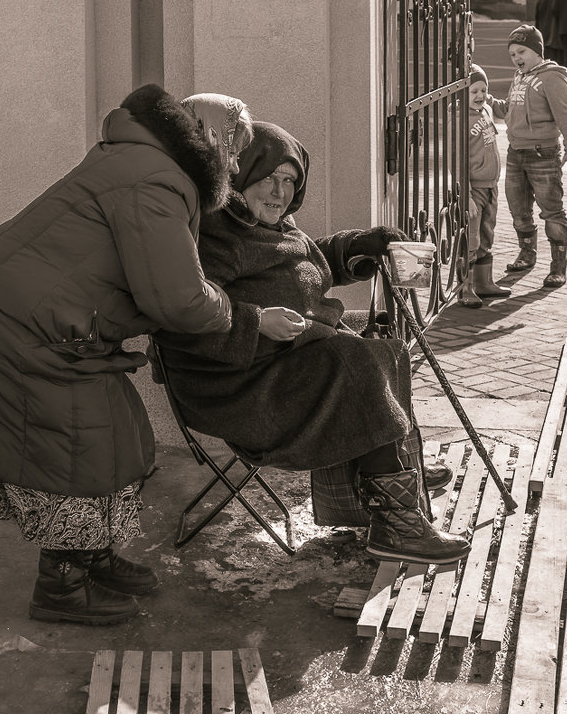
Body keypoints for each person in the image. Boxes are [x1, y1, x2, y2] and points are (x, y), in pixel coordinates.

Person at [0, 85, 250, 625]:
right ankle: (62, 585)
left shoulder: (141, 158)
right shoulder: (157, 177)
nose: (238, 163)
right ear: (213, 139)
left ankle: (91, 554)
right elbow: (175, 297)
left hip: (16, 305)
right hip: (20, 320)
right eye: (237, 148)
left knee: (120, 428)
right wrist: (236, 314)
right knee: (85, 436)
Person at [155, 121, 471, 565]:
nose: (279, 192)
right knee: (355, 362)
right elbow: (180, 321)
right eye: (268, 179)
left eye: (289, 182)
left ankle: (396, 473)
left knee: (385, 345)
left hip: (282, 365)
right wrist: (254, 323)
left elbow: (304, 263)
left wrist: (360, 245)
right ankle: (395, 524)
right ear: (240, 177)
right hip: (236, 387)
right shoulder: (214, 236)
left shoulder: (275, 227)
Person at [489, 25, 567, 288]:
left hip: (543, 154)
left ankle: (558, 267)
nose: (517, 58)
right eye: (512, 54)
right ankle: (527, 254)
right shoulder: (520, 76)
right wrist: (488, 101)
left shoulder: (552, 76)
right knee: (519, 210)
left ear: (537, 50)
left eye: (522, 51)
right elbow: (508, 110)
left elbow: (566, 114)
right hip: (516, 153)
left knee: (551, 211)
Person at [460, 64, 511, 308]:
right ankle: (465, 287)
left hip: (491, 186)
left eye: (484, 90)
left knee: (487, 233)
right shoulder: (458, 119)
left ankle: (484, 282)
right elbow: (457, 161)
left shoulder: (487, 110)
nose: (480, 96)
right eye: (474, 91)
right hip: (474, 189)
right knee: (471, 238)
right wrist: (466, 196)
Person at [535, 0, 564, 68]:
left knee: (546, 64)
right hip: (556, 36)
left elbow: (537, 18)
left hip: (543, 35)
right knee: (559, 64)